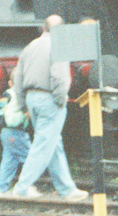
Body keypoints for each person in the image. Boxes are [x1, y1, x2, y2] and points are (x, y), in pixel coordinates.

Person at [9, 15, 88, 201]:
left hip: (31, 98)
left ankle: (67, 189)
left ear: (43, 28)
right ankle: (22, 187)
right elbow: (60, 77)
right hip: (49, 99)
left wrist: (22, 103)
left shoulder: (30, 46)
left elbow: (18, 77)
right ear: (61, 31)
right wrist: (61, 99)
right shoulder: (59, 45)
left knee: (53, 143)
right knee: (44, 143)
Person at [0, 69, 32, 196]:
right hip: (16, 131)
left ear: (10, 83)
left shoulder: (7, 94)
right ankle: (25, 188)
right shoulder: (20, 95)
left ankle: (2, 189)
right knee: (31, 158)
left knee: (9, 160)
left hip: (5, 132)